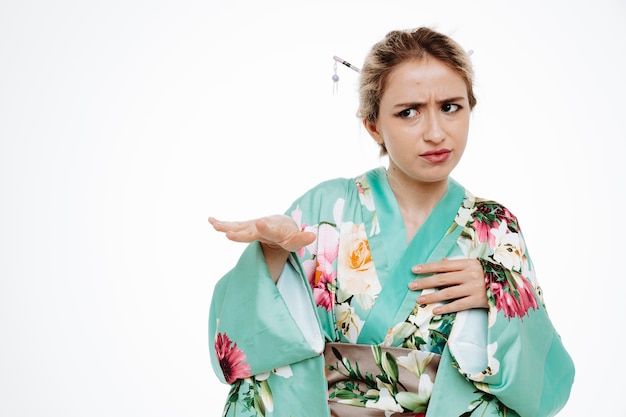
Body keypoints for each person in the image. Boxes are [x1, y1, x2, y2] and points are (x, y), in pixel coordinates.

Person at [207, 27, 575, 417]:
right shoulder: (326, 207)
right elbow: (247, 346)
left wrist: (499, 291)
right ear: (373, 125)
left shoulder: (496, 226)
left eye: (451, 106)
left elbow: (545, 378)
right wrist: (273, 254)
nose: (436, 132)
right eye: (409, 112)